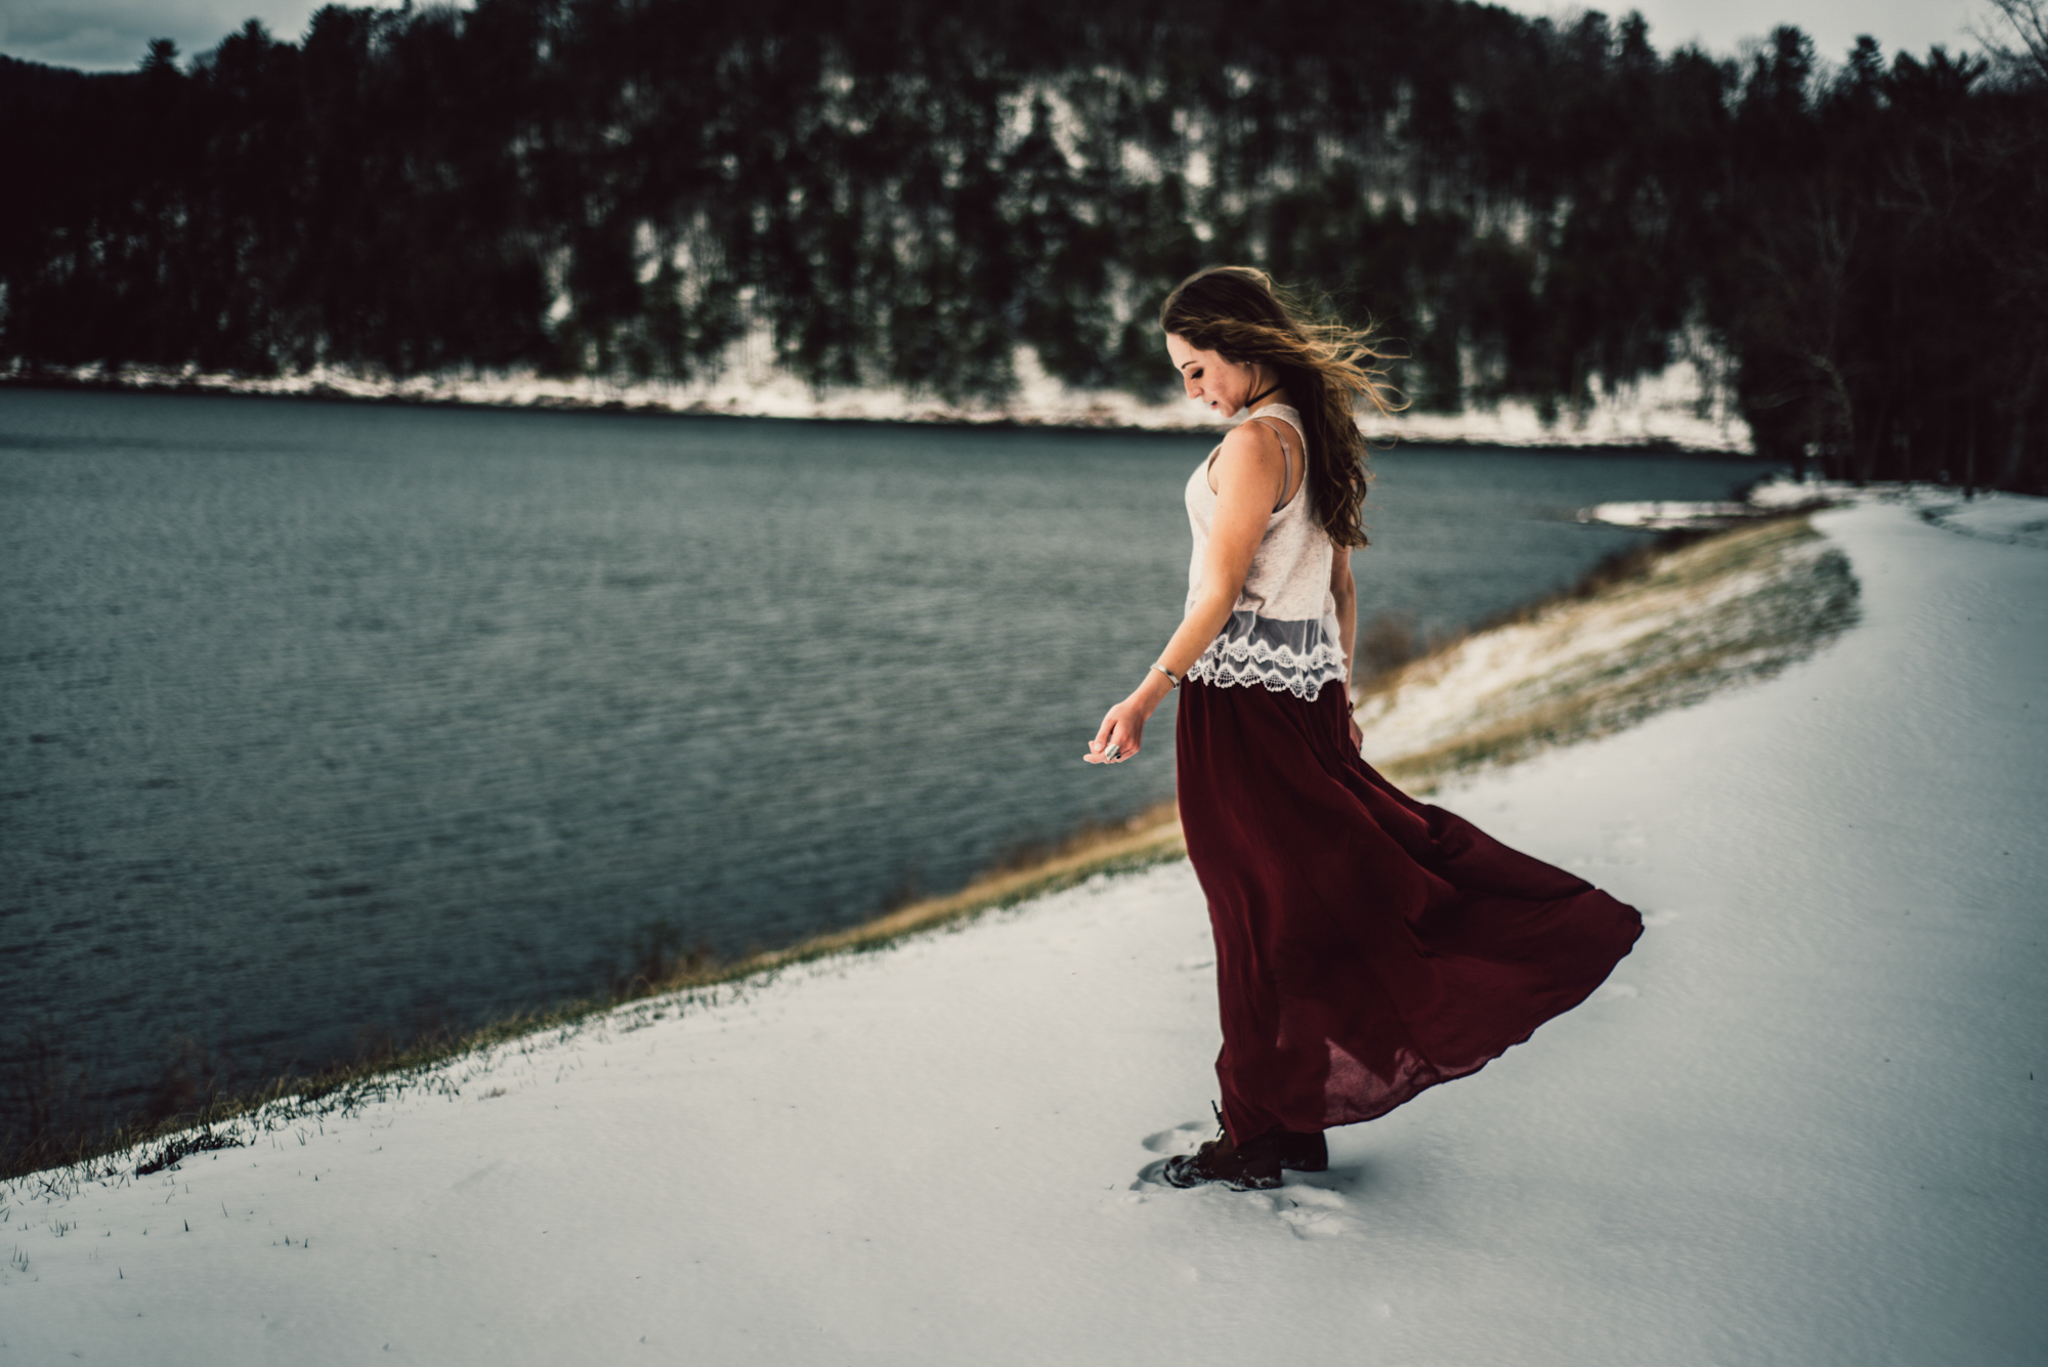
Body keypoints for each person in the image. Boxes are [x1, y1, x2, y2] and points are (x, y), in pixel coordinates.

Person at [1087, 266, 1643, 1190]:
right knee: (1291, 910)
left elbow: (1221, 593)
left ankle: (1262, 1136)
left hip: (1236, 707)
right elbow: (1339, 589)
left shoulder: (1260, 441)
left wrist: (1147, 692)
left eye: (1195, 368)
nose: (1191, 390)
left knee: (1255, 920)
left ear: (1240, 343)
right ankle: (1286, 1119)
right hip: (1299, 698)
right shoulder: (1315, 430)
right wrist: (1334, 696)